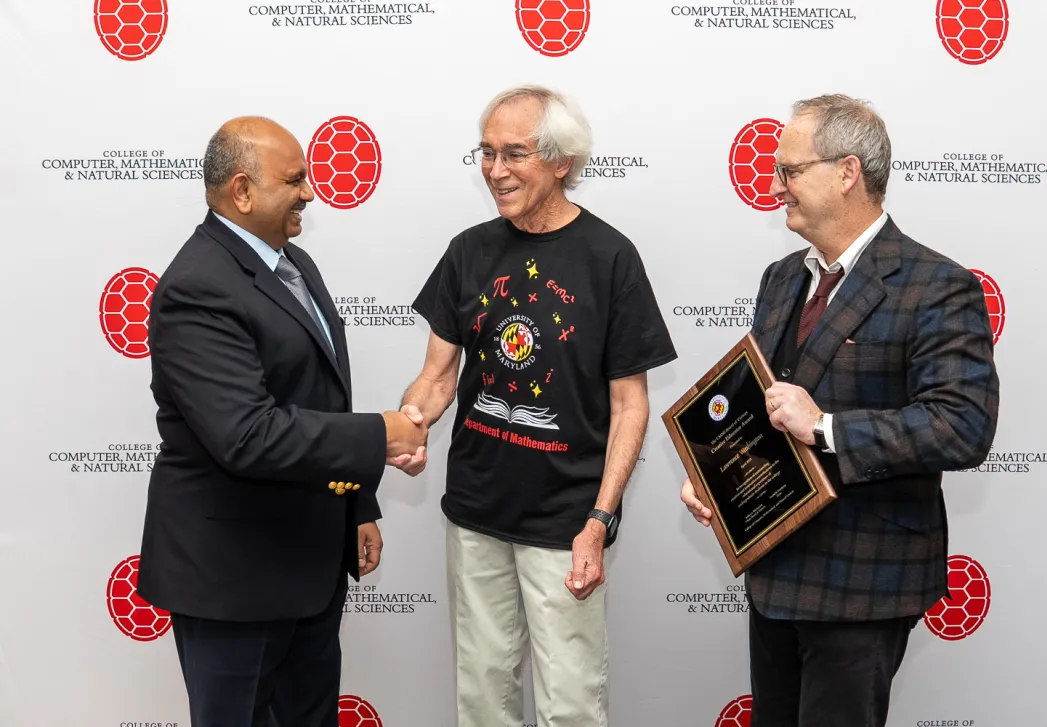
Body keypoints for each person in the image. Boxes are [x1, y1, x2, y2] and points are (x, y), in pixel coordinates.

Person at [680, 94, 999, 726]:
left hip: (865, 579)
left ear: (847, 172)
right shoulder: (781, 278)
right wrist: (721, 479)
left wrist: (824, 427)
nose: (775, 187)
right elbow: (764, 409)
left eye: (791, 171)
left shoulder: (936, 284)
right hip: (774, 574)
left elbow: (961, 426)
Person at [395, 85, 677, 727]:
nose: (495, 171)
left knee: (571, 704)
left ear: (560, 160)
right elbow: (437, 379)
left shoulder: (611, 258)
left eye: (514, 153)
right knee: (481, 695)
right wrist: (409, 426)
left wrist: (600, 520)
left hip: (567, 521)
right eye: (487, 153)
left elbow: (630, 406)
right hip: (475, 512)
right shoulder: (469, 250)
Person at [136, 116, 427, 727]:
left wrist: (359, 506)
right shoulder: (197, 287)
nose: (311, 191)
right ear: (241, 191)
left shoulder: (294, 263)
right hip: (232, 582)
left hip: (310, 567)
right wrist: (381, 434)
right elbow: (247, 435)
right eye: (295, 179)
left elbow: (317, 398)